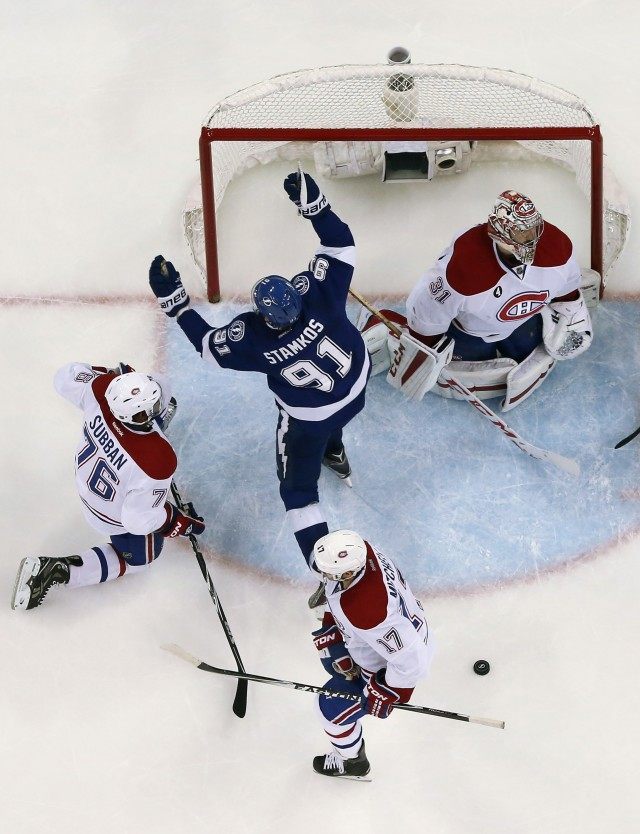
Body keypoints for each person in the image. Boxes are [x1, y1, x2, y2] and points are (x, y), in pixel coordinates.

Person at [148, 169, 370, 568]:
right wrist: (314, 206)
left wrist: (177, 305)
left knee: (298, 494)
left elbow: (207, 346)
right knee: (333, 409)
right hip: (357, 386)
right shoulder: (321, 296)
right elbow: (340, 243)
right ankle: (333, 449)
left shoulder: (254, 340)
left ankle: (328, 576)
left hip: (311, 416)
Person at [360, 190, 595, 410]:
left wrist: (571, 308)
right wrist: (424, 347)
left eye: (534, 229)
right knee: (464, 366)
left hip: (521, 319)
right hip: (470, 332)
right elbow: (428, 308)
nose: (532, 239)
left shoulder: (556, 246)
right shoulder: (465, 268)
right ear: (498, 232)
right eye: (521, 233)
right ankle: (384, 327)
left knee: (525, 351)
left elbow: (566, 286)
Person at [11, 362, 205, 611]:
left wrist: (109, 377)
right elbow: (138, 521)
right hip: (111, 515)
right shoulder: (158, 459)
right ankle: (60, 571)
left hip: (86, 487)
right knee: (141, 560)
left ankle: (145, 425)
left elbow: (64, 377)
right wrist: (174, 520)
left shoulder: (100, 391)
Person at [310, 529, 433, 780]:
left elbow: (413, 663)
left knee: (328, 711)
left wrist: (389, 691)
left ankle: (353, 762)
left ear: (346, 573)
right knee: (330, 662)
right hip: (404, 632)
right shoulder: (361, 550)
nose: (322, 575)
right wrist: (334, 623)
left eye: (327, 573)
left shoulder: (368, 610)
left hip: (390, 665)